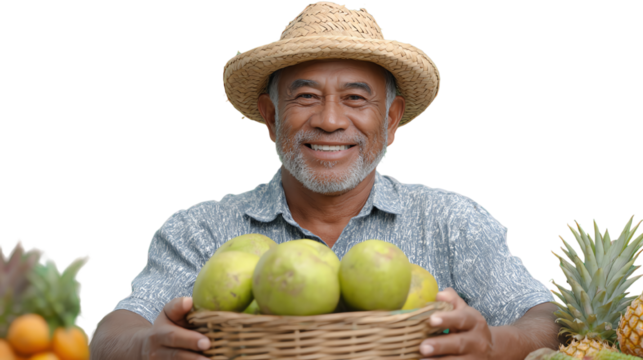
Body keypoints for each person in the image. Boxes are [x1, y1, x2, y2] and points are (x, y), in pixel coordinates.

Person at [89, 1, 564, 359]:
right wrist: (147, 346)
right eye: (307, 97)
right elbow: (110, 332)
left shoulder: (449, 219)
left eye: (356, 99)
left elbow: (545, 317)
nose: (331, 120)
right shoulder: (203, 229)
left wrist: (492, 345)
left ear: (391, 120)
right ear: (271, 118)